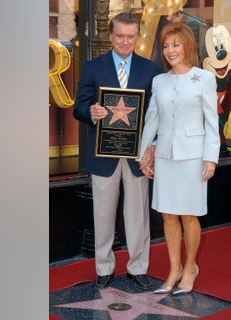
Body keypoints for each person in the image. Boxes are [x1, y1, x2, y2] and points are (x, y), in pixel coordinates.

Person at [73, 12, 161, 290]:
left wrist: (153, 147)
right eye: (120, 35)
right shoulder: (92, 67)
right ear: (111, 36)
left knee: (138, 215)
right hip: (103, 155)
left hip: (137, 156)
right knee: (103, 212)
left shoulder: (151, 69)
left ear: (137, 37)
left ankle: (138, 267)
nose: (125, 41)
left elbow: (156, 114)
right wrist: (91, 111)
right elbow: (78, 107)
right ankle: (104, 267)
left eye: (131, 36)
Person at [137, 22, 220, 295]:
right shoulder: (159, 81)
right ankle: (173, 270)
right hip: (166, 157)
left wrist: (211, 158)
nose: (170, 51)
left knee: (188, 215)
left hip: (194, 157)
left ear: (187, 46)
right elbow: (152, 118)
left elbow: (211, 121)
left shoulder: (204, 78)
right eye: (166, 46)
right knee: (168, 215)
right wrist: (144, 152)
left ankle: (190, 267)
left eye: (176, 44)